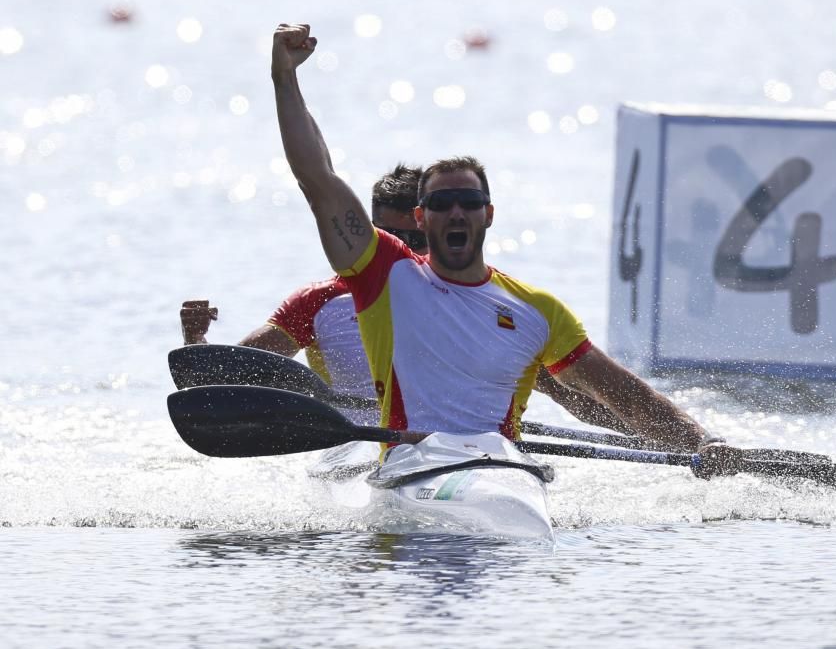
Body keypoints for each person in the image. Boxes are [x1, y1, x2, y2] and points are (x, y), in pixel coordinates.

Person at [271, 23, 741, 475]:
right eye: (441, 204)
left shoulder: (537, 310)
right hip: (409, 466)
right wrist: (285, 78)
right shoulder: (385, 276)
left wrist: (701, 442)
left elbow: (621, 393)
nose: (457, 213)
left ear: (489, 214)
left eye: (469, 202)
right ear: (421, 218)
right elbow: (318, 179)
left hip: (502, 473)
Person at [179, 164, 625, 431]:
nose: (405, 251)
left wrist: (647, 432)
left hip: (465, 458)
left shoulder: (483, 310)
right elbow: (230, 379)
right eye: (390, 238)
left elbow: (573, 398)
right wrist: (195, 343)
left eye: (414, 239)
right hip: (357, 451)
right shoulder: (318, 302)